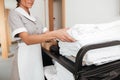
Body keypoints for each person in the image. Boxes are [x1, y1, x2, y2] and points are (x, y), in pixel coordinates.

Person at [8, 0, 75, 80]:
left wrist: (64, 34)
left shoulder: (36, 18)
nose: (31, 0)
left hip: (36, 55)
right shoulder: (14, 14)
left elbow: (47, 34)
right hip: (24, 56)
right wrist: (55, 33)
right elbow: (27, 40)